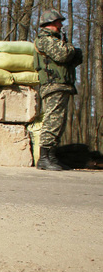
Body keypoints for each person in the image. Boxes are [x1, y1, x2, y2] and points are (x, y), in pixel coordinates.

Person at [33, 9, 83, 171]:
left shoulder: (54, 40)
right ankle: (45, 157)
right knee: (53, 121)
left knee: (59, 122)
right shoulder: (45, 39)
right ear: (50, 24)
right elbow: (62, 55)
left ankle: (51, 156)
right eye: (58, 22)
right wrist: (72, 50)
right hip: (53, 85)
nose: (61, 25)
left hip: (61, 85)